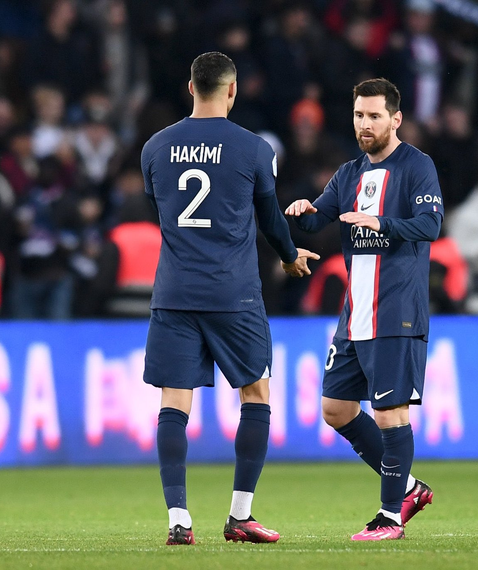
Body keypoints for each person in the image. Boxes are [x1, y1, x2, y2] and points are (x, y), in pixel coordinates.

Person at [140, 52, 318, 546]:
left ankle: (179, 519)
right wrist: (287, 256)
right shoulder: (254, 149)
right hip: (233, 294)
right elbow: (270, 217)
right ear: (233, 90)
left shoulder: (155, 147)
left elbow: (158, 209)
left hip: (174, 293)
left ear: (189, 87)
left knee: (174, 402)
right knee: (256, 393)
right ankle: (240, 516)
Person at [285, 78, 440, 541]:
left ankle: (390, 516)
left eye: (374, 116)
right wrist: (301, 211)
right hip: (355, 314)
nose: (365, 124)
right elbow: (320, 217)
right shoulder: (350, 172)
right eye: (358, 115)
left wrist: (381, 222)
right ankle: (408, 487)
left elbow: (430, 223)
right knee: (336, 408)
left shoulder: (417, 166)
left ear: (395, 119)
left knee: (392, 412)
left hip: (397, 310)